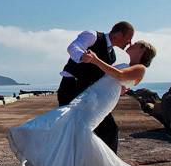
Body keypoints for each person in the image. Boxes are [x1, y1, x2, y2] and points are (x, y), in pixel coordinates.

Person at [7, 40, 171, 166]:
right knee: (71, 125)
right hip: (94, 95)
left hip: (101, 100)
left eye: (136, 44)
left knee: (80, 128)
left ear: (143, 50)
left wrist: (96, 60)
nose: (131, 44)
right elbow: (115, 78)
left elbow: (119, 75)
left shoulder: (140, 68)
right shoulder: (127, 64)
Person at [57, 21, 134, 154]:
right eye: (129, 38)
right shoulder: (92, 36)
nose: (130, 43)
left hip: (89, 93)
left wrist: (118, 88)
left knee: (109, 128)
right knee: (70, 131)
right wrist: (82, 56)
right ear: (119, 34)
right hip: (71, 88)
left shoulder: (112, 56)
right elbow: (73, 47)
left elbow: (103, 77)